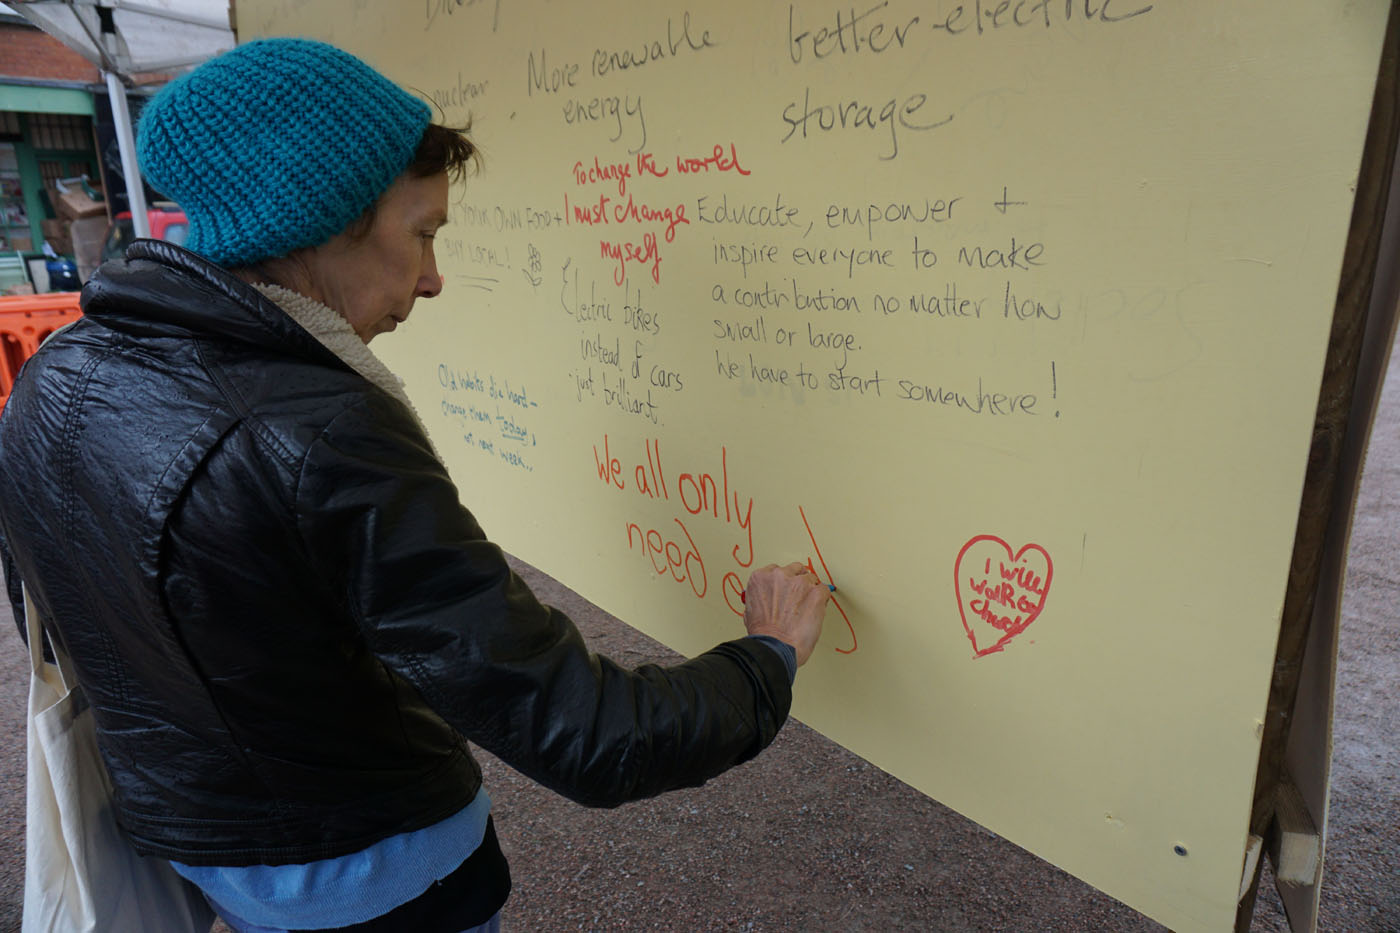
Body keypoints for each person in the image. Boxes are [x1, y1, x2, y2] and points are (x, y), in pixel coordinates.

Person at [0, 38, 831, 933]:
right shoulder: (321, 430)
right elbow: (592, 733)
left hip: (205, 844)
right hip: (375, 875)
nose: (433, 280)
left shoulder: (63, 370)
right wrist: (767, 659)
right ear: (322, 215)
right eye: (424, 232)